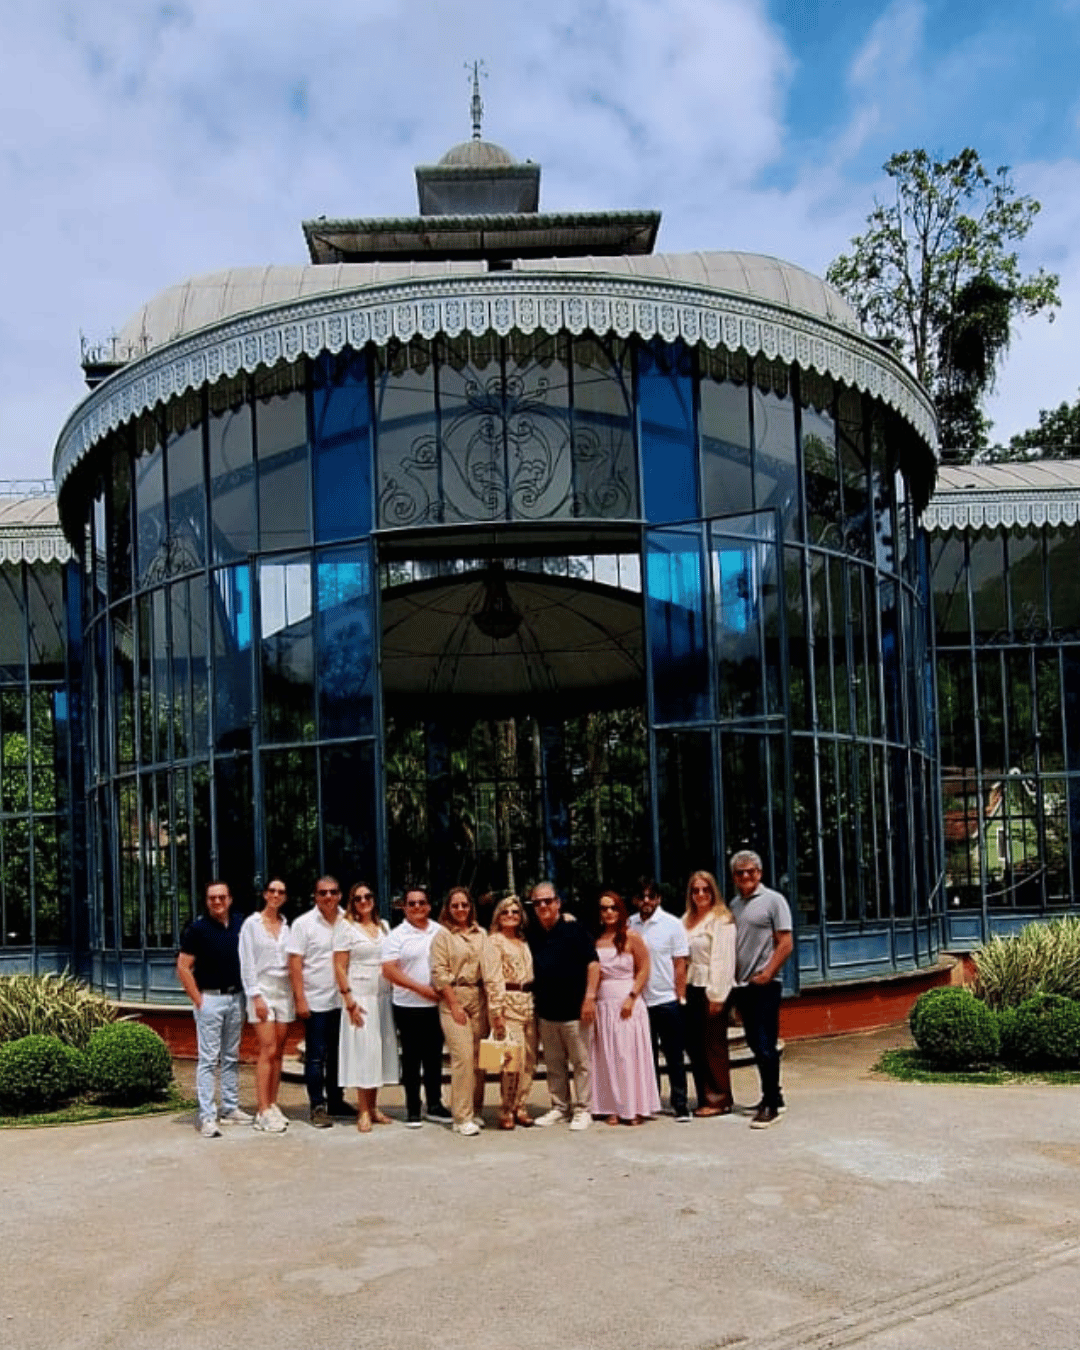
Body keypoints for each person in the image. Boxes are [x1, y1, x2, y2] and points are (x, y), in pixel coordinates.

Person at [176, 880, 252, 1137]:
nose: (217, 902)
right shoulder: (197, 929)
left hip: (236, 998)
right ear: (207, 901)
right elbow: (183, 966)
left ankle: (230, 1107)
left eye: (221, 897)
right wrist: (199, 1000)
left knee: (231, 1056)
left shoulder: (241, 925)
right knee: (208, 1060)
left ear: (230, 899)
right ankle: (207, 1116)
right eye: (212, 898)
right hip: (211, 999)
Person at [728, 850, 793, 1129]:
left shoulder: (774, 900)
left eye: (750, 871)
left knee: (765, 1044)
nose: (745, 876)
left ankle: (770, 1105)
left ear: (760, 873)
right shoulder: (734, 905)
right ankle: (775, 1095)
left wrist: (768, 973)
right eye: (740, 872)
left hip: (765, 985)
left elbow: (785, 942)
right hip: (743, 984)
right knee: (756, 1044)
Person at [528, 879, 599, 1131]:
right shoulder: (532, 933)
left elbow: (593, 964)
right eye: (537, 902)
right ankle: (559, 1107)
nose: (543, 906)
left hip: (575, 1011)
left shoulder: (574, 930)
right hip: (547, 1012)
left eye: (548, 901)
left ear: (558, 903)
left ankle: (583, 1109)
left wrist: (590, 997)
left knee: (581, 1064)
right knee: (554, 1065)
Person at [381, 885, 452, 1127]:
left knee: (434, 1057)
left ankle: (434, 1104)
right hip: (408, 1006)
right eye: (411, 903)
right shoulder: (396, 935)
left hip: (436, 1006)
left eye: (421, 902)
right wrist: (421, 989)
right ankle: (413, 1107)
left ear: (429, 906)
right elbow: (389, 970)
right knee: (411, 1058)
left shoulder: (440, 931)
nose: (417, 907)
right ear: (404, 907)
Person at [333, 881, 399, 1132]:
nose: (364, 901)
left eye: (368, 896)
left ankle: (373, 1106)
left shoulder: (384, 927)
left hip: (382, 996)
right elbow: (339, 966)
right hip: (360, 997)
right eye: (358, 898)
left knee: (378, 1052)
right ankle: (362, 1109)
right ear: (352, 902)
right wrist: (349, 1000)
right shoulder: (346, 927)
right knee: (363, 1052)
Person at [590, 890, 659, 1125]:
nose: (608, 912)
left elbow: (644, 968)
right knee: (608, 1056)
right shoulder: (596, 940)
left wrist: (632, 997)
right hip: (603, 1003)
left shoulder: (632, 937)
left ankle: (634, 1106)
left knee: (627, 1055)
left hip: (627, 1002)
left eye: (613, 907)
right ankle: (612, 1106)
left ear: (620, 911)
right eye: (604, 908)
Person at [430, 886, 493, 1137]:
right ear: (448, 908)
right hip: (454, 997)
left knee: (479, 1059)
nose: (460, 909)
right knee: (463, 1057)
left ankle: (475, 1109)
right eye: (455, 905)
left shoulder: (482, 934)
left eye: (464, 905)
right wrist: (454, 1003)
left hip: (479, 996)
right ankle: (461, 1116)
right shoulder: (442, 936)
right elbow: (439, 972)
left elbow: (489, 967)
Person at [287, 876, 349, 1127]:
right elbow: (295, 964)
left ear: (340, 895)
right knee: (315, 1057)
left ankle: (336, 1100)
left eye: (333, 892)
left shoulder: (348, 920)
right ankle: (317, 1105)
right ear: (315, 896)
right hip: (316, 1000)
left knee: (338, 1055)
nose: (328, 897)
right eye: (323, 893)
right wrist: (300, 999)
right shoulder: (303, 924)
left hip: (342, 1001)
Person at [629, 878, 691, 1121]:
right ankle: (651, 1101)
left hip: (666, 1000)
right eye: (641, 896)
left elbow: (680, 964)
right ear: (635, 900)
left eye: (651, 896)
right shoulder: (629, 924)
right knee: (646, 1056)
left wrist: (680, 996)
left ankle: (680, 1103)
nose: (646, 901)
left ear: (659, 899)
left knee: (674, 1056)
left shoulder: (673, 925)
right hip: (641, 1001)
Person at [238, 877, 294, 1134]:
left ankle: (272, 1103)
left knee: (279, 1051)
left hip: (284, 991)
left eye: (281, 892)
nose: (276, 895)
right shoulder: (251, 925)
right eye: (272, 890)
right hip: (262, 990)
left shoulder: (287, 927)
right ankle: (261, 1110)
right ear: (264, 894)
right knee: (267, 1049)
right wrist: (255, 996)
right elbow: (247, 962)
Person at [682, 870, 736, 1117]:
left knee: (713, 1045)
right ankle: (705, 1096)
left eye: (705, 889)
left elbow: (724, 960)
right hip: (691, 986)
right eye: (696, 890)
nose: (700, 894)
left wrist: (717, 995)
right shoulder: (686, 919)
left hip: (711, 986)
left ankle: (720, 1098)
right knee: (695, 1045)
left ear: (713, 892)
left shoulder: (721, 920)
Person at [484, 894, 537, 1130]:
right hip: (507, 1004)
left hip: (529, 1002)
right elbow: (492, 977)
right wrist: (497, 1012)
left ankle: (520, 1105)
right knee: (512, 1060)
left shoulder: (524, 941)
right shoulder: (494, 942)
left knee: (529, 1060)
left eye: (515, 912)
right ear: (498, 916)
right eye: (505, 912)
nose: (510, 915)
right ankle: (505, 1108)